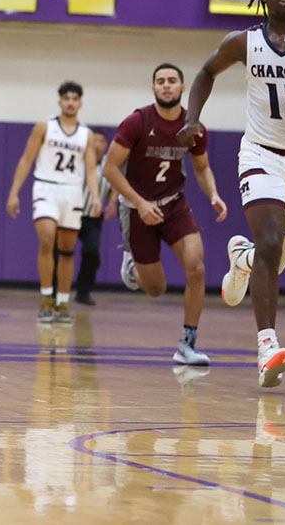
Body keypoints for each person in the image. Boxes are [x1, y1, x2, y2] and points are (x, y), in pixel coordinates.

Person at [177, 0, 285, 387]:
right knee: (269, 241)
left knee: (272, 262)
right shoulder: (243, 43)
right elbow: (206, 72)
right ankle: (267, 347)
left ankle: (240, 260)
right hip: (260, 154)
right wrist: (191, 119)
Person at [104, 63, 228, 367]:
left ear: (183, 88)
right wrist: (140, 203)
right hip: (136, 208)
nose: (166, 85)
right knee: (156, 289)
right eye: (160, 81)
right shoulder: (136, 122)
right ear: (153, 88)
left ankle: (187, 344)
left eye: (172, 80)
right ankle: (132, 263)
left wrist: (213, 193)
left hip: (174, 204)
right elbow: (109, 169)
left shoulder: (193, 126)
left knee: (196, 268)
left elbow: (201, 167)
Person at [6, 82, 102, 324]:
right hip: (46, 187)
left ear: (80, 103)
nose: (70, 102)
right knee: (47, 239)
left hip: (73, 193)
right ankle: (46, 297)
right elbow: (27, 160)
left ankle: (62, 302)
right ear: (60, 101)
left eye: (74, 98)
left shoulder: (86, 135)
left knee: (67, 250)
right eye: (66, 98)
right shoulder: (44, 126)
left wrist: (96, 196)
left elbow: (91, 170)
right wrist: (14, 192)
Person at [73, 128, 119, 306]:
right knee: (60, 252)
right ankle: (54, 292)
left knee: (92, 253)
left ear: (106, 144)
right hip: (72, 213)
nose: (97, 145)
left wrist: (111, 203)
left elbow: (114, 184)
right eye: (94, 141)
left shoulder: (110, 163)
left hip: (93, 217)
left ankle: (83, 292)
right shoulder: (78, 160)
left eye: (101, 141)